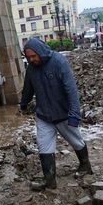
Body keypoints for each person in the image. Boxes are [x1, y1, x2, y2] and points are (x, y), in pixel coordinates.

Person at [20, 38, 93, 189]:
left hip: (63, 113)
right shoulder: (31, 68)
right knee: (44, 146)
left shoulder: (59, 62)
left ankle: (85, 165)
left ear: (40, 52)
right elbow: (28, 87)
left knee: (76, 141)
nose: (32, 60)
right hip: (44, 115)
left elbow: (71, 90)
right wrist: (24, 103)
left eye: (34, 56)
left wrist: (74, 114)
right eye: (29, 57)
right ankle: (49, 180)